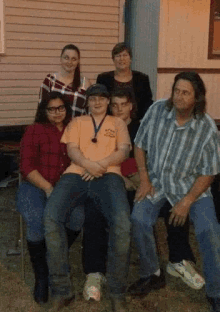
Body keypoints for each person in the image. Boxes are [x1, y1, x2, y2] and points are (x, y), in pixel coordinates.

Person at [82, 88, 204, 302]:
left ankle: (179, 260)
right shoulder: (104, 128)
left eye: (124, 104)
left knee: (173, 204)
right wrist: (125, 177)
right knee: (95, 210)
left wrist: (145, 179)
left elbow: (157, 157)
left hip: (145, 183)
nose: (119, 109)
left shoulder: (144, 126)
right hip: (115, 183)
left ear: (131, 106)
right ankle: (95, 272)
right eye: (114, 105)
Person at [127, 71, 220, 312]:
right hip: (157, 181)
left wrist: (187, 200)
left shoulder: (207, 128)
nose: (178, 97)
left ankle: (216, 290)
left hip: (192, 187)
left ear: (197, 97)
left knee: (209, 230)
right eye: (176, 91)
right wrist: (145, 178)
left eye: (185, 93)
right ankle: (152, 273)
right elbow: (139, 144)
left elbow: (209, 172)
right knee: (139, 218)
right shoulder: (158, 110)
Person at [43, 84, 131, 312]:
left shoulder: (118, 123)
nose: (97, 102)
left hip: (109, 175)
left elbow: (123, 151)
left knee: (122, 223)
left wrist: (99, 165)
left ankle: (117, 292)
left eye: (102, 98)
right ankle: (62, 291)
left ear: (108, 101)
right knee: (51, 217)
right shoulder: (77, 123)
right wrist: (88, 165)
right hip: (76, 174)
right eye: (93, 98)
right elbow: (72, 150)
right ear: (87, 102)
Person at [17, 92, 83, 305]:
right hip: (35, 185)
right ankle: (42, 274)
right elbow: (26, 166)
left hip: (65, 187)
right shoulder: (34, 130)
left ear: (67, 109)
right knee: (37, 222)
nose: (57, 112)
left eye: (61, 108)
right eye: (52, 109)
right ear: (44, 111)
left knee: (78, 217)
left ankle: (50, 255)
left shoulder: (74, 129)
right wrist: (47, 188)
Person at [97, 42, 153, 121]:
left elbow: (147, 104)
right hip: (110, 123)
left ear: (130, 59)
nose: (121, 59)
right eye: (118, 56)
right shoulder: (103, 79)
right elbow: (100, 103)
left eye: (125, 55)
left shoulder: (142, 79)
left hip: (136, 124)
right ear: (113, 59)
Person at [39, 44, 91, 116]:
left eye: (74, 59)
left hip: (78, 126)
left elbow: (89, 111)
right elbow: (41, 110)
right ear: (61, 59)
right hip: (54, 126)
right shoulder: (50, 81)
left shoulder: (85, 82)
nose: (69, 62)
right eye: (66, 58)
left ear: (78, 61)